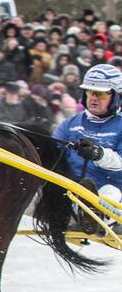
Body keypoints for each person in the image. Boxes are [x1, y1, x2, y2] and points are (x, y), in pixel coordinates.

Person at [53, 64, 122, 231]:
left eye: (101, 94)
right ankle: (84, 214)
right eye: (90, 93)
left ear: (116, 97)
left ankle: (96, 217)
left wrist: (99, 154)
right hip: (73, 191)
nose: (94, 98)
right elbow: (52, 151)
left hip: (113, 194)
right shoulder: (70, 124)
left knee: (109, 191)